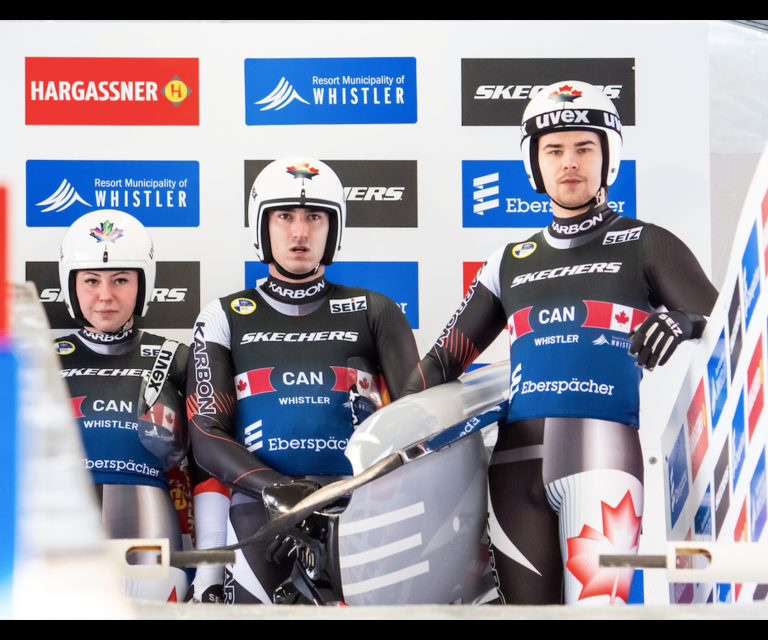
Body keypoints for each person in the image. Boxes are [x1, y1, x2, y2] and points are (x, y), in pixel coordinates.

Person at [403, 81, 719, 606]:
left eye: (583, 147)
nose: (568, 161)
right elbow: (439, 363)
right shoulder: (509, 260)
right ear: (535, 163)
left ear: (608, 158)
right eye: (554, 150)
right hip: (512, 469)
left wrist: (684, 323)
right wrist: (382, 405)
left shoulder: (646, 242)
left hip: (602, 456)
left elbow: (726, 321)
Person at [187, 157, 420, 604]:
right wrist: (278, 490)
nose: (299, 232)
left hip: (358, 509)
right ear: (262, 227)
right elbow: (205, 433)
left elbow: (418, 419)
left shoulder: (377, 310)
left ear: (333, 229)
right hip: (261, 511)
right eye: (284, 216)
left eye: (314, 217)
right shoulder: (222, 315)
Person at [54, 209, 198, 602]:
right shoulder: (38, 357)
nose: (105, 295)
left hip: (150, 523)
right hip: (58, 528)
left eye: (120, 279)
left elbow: (208, 464)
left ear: (143, 285)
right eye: (90, 280)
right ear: (70, 285)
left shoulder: (177, 357)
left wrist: (213, 561)